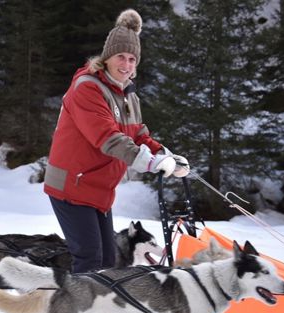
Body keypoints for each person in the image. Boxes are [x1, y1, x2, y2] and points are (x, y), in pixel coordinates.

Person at [44, 9, 190, 274]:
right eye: (121, 57)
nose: (126, 64)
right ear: (107, 58)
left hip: (98, 190)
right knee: (89, 260)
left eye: (132, 59)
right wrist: (151, 162)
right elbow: (107, 138)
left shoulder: (128, 96)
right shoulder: (88, 88)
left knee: (109, 263)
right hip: (72, 186)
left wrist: (167, 156)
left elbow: (139, 136)